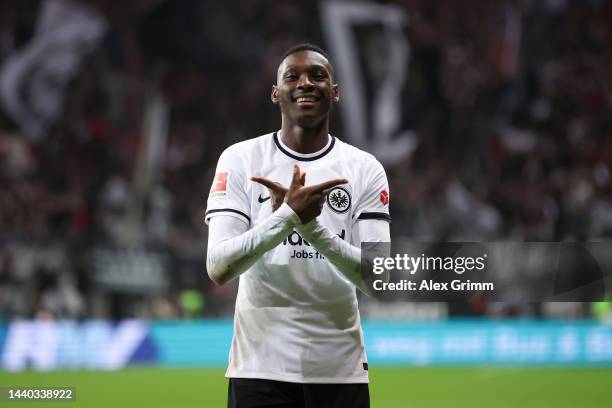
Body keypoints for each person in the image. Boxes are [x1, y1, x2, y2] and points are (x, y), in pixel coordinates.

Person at [205, 43, 391, 408]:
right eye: (293, 77)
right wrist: (287, 217)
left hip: (339, 369)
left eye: (318, 76)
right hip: (258, 369)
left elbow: (379, 279)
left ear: (335, 93)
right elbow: (218, 267)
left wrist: (308, 227)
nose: (305, 83)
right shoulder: (241, 159)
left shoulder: (364, 168)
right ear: (276, 93)